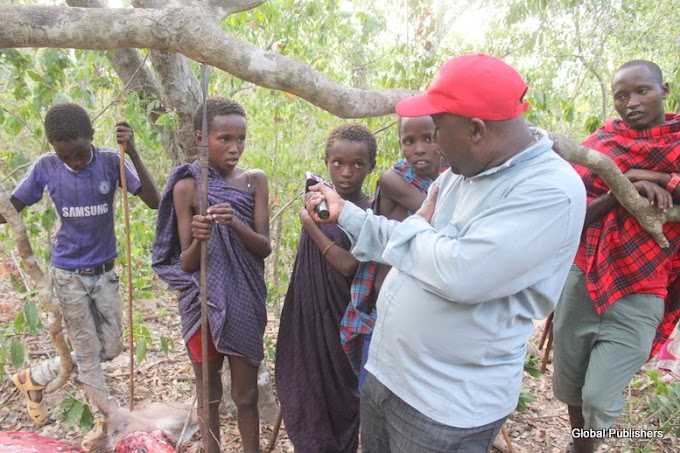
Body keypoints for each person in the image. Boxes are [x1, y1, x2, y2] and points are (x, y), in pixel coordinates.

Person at [305, 53, 587, 452]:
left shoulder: (547, 191)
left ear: (475, 129)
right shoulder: (461, 172)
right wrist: (347, 214)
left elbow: (460, 272)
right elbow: (417, 248)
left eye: (437, 129)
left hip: (444, 407)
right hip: (387, 375)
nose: (433, 142)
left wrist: (418, 229)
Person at [3, 103, 160, 426]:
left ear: (91, 137)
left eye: (79, 153)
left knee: (112, 348)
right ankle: (112, 417)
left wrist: (133, 153)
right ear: (53, 150)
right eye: (65, 157)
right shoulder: (46, 167)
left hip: (104, 273)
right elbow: (10, 208)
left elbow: (155, 201)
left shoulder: (108, 161)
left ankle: (36, 375)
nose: (73, 162)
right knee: (88, 354)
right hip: (67, 274)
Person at [552, 60, 680, 453]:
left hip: (644, 283)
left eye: (643, 91)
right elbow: (574, 213)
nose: (632, 103)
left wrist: (654, 178)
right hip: (584, 273)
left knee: (599, 395)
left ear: (665, 90)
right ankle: (581, 444)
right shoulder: (600, 145)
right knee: (571, 381)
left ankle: (588, 443)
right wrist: (620, 190)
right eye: (621, 96)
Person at [152, 96, 270, 453]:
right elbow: (186, 262)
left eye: (241, 139)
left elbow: (263, 247)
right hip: (201, 301)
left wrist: (233, 222)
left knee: (246, 395)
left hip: (244, 299)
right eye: (225, 139)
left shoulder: (254, 181)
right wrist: (200, 240)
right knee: (208, 394)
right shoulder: (187, 186)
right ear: (201, 139)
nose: (235, 148)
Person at [275, 123, 376, 453]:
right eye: (337, 163)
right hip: (310, 318)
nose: (346, 172)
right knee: (307, 389)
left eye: (357, 164)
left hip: (348, 324)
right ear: (326, 163)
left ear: (371, 166)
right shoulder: (317, 202)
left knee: (344, 398)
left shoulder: (373, 213)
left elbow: (349, 266)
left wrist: (311, 227)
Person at [339, 115, 446, 391]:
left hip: (426, 301)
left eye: (428, 138)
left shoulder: (454, 178)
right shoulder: (393, 179)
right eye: (409, 141)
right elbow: (441, 219)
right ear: (400, 145)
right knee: (374, 387)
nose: (419, 148)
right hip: (384, 297)